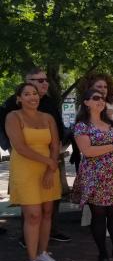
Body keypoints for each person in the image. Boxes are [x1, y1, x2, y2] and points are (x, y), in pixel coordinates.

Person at [0, 67, 71, 248]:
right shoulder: (12, 103)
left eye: (45, 80)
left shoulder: (49, 102)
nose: (45, 83)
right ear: (28, 81)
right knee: (31, 204)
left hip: (53, 156)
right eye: (39, 80)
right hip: (27, 161)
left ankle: (50, 233)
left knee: (51, 202)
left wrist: (58, 150)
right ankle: (28, 238)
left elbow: (58, 126)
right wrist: (9, 147)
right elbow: (3, 126)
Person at [6, 83, 61, 261]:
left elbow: (55, 144)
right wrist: (49, 162)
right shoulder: (13, 117)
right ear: (19, 98)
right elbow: (20, 147)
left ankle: (43, 252)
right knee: (33, 215)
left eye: (35, 93)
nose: (32, 97)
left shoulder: (48, 118)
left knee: (47, 212)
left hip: (48, 169)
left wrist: (50, 167)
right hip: (25, 169)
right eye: (27, 94)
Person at [72, 89, 113, 261]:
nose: (100, 101)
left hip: (112, 175)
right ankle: (102, 253)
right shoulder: (82, 125)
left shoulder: (110, 123)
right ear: (86, 102)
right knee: (99, 215)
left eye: (103, 98)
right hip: (94, 176)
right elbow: (87, 151)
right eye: (95, 98)